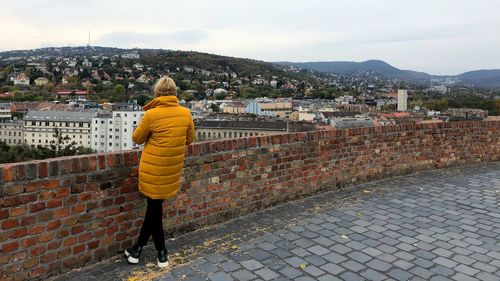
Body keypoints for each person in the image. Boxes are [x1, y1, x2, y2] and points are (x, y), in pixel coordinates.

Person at [125, 76, 195, 268]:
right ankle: (144, 250)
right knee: (154, 209)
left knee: (153, 210)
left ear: (156, 93)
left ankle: (154, 251)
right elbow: (190, 139)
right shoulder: (185, 113)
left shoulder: (151, 115)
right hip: (171, 169)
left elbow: (137, 138)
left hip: (152, 168)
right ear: (174, 93)